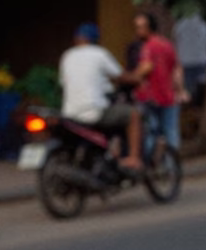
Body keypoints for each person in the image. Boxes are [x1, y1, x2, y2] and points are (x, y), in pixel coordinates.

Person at [58, 23, 143, 171]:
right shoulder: (99, 53)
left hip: (70, 114)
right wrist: (137, 79)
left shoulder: (67, 56)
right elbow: (120, 76)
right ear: (95, 40)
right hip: (93, 112)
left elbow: (64, 83)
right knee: (132, 114)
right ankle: (134, 158)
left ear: (77, 39)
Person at [133, 13, 187, 152]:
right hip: (169, 97)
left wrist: (132, 77)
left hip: (150, 97)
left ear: (149, 28)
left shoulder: (148, 46)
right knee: (171, 131)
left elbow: (146, 67)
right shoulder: (167, 45)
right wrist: (180, 90)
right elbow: (177, 69)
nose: (137, 31)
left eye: (140, 27)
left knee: (151, 132)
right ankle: (173, 166)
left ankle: (149, 167)